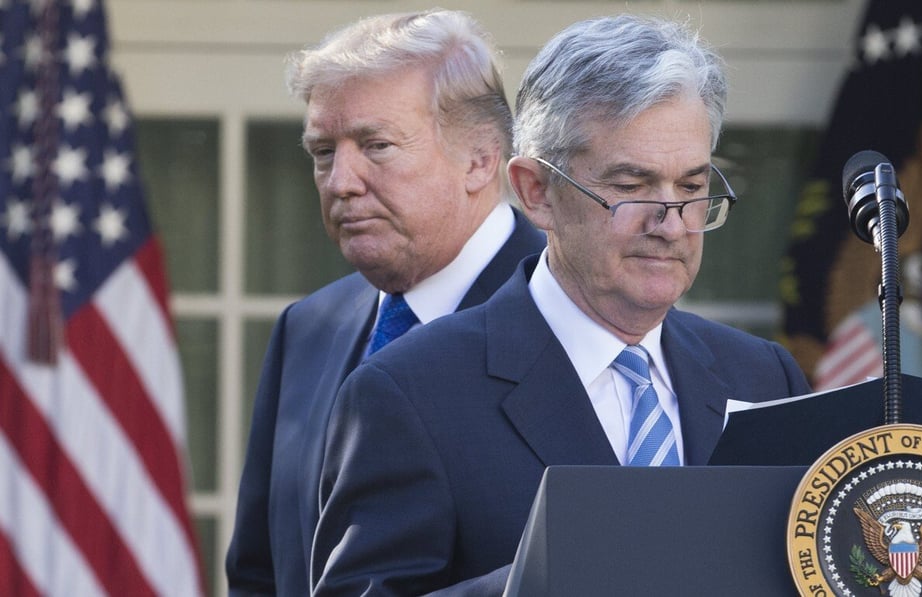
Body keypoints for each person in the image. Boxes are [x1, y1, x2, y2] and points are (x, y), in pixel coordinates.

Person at [311, 13, 812, 596]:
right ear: (535, 192)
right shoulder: (408, 393)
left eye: (692, 187)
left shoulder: (762, 376)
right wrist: (545, 577)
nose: (671, 223)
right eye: (631, 185)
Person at [225, 10, 545, 596]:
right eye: (323, 151)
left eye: (376, 145)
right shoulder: (308, 328)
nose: (341, 180)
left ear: (480, 159)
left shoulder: (574, 317)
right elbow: (259, 571)